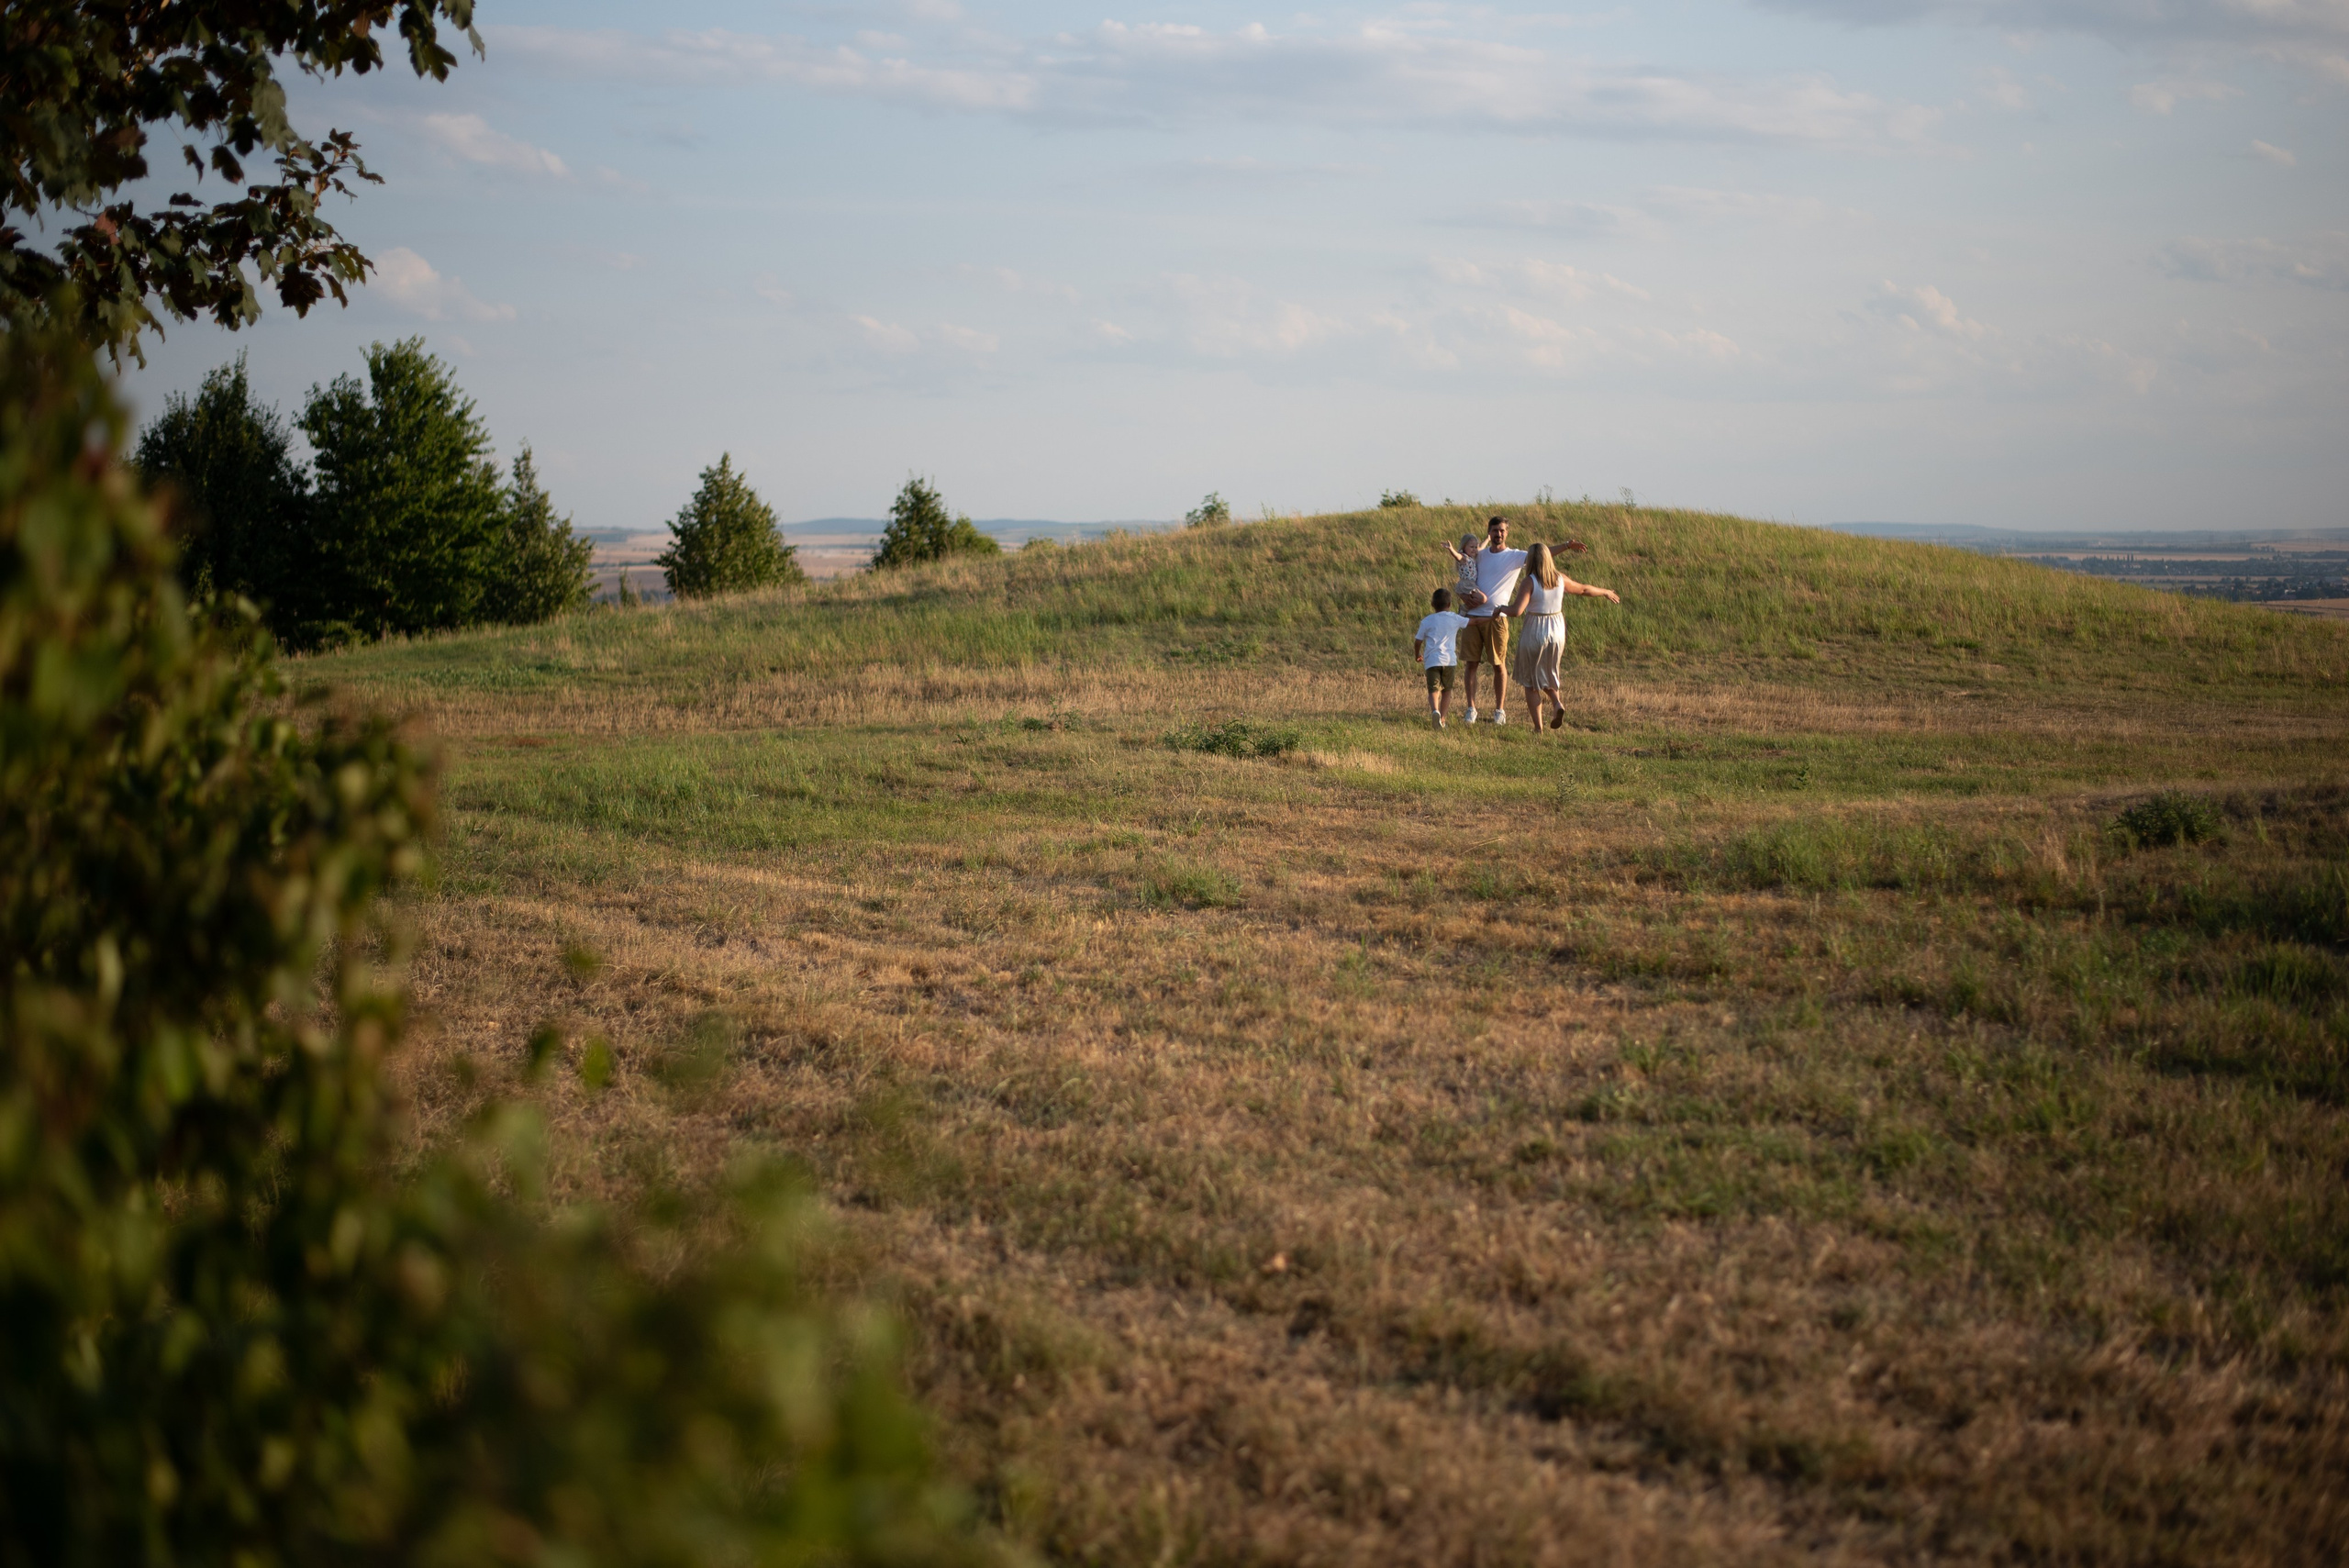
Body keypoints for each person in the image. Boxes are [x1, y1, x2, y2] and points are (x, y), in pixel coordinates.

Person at [1507, 540, 1620, 731]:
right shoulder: (1559, 578)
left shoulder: (1530, 581)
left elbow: (1517, 611)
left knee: (1530, 681)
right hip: (1557, 629)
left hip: (1536, 628)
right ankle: (1557, 703)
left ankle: (1538, 728)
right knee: (1549, 671)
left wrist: (1501, 609)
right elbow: (1584, 589)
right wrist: (1605, 592)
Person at [1453, 515, 1524, 724]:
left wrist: (1566, 546)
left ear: (1507, 532)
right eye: (1495, 530)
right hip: (1472, 618)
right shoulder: (1479, 555)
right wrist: (1462, 594)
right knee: (1471, 664)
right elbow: (1463, 575)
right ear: (1489, 533)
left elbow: (1541, 555)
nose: (1498, 534)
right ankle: (1471, 709)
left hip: (1496, 618)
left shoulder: (1515, 556)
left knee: (1498, 664)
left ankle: (1499, 711)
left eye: (1502, 530)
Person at [1413, 587, 1470, 729]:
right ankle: (1442, 719)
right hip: (1449, 661)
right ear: (1450, 604)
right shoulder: (1455, 618)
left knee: (1433, 690)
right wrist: (1491, 616)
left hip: (1432, 661)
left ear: (1432, 605)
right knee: (1447, 691)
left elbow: (1418, 640)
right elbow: (1472, 622)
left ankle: (1435, 711)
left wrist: (1417, 654)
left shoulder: (1427, 621)